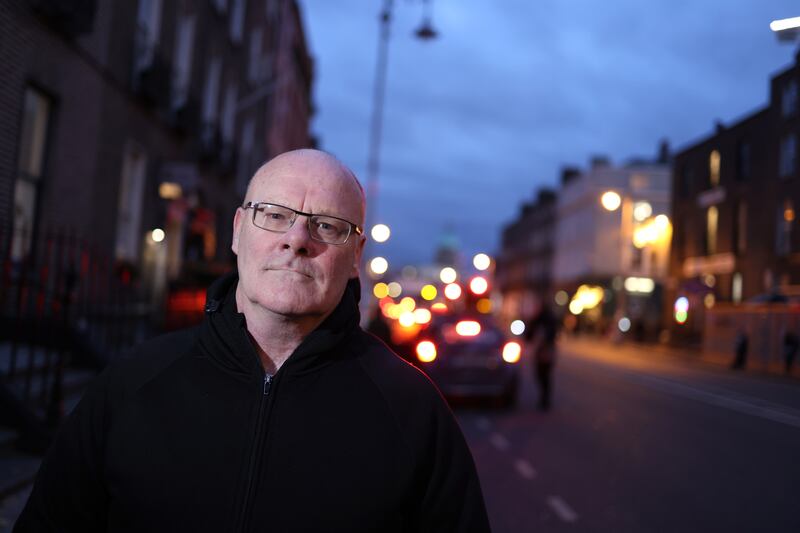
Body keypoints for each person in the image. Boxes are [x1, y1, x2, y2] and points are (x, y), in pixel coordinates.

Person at [15, 149, 490, 532]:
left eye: (327, 225)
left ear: (355, 256)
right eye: (276, 215)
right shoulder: (130, 385)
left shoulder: (412, 410)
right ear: (239, 231)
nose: (298, 239)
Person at [525, 302, 559, 411]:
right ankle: (545, 398)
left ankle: (545, 399)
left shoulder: (544, 319)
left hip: (545, 349)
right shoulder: (545, 319)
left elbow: (530, 335)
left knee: (543, 374)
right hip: (544, 349)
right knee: (543, 374)